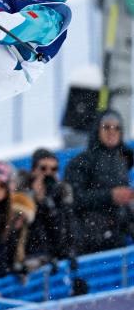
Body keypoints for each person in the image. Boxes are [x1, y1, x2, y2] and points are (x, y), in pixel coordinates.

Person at [65, 109, 134, 255]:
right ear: (97, 129)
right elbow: (74, 199)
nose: (112, 131)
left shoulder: (123, 160)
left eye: (117, 127)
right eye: (106, 127)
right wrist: (109, 196)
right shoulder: (80, 162)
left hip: (118, 238)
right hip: (89, 241)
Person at [23, 149, 75, 269]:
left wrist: (69, 252)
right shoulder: (22, 194)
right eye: (43, 168)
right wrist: (35, 200)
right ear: (33, 170)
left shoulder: (61, 194)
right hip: (35, 261)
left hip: (57, 259)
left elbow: (65, 228)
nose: (48, 173)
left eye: (53, 169)